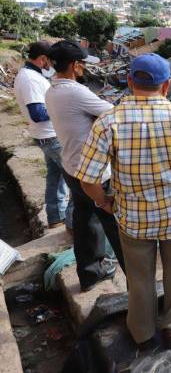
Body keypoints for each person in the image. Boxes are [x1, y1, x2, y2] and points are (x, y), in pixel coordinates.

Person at [75, 53, 171, 349]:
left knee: (139, 279)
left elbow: (87, 179)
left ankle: (141, 332)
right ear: (167, 86)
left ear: (128, 82)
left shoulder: (107, 122)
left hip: (133, 219)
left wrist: (104, 202)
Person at [45, 40, 126, 292]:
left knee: (85, 220)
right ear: (73, 65)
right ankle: (137, 277)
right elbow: (114, 114)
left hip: (72, 166)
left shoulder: (52, 90)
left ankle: (91, 273)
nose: (83, 68)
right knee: (114, 223)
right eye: (81, 63)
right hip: (94, 172)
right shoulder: (75, 92)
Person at [13, 41, 72, 229]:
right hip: (50, 136)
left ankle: (56, 217)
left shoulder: (31, 75)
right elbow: (37, 114)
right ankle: (72, 223)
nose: (52, 65)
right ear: (42, 59)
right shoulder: (30, 79)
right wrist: (61, 109)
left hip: (46, 136)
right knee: (76, 180)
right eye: (50, 61)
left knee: (56, 177)